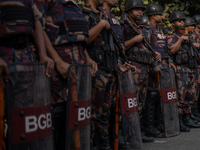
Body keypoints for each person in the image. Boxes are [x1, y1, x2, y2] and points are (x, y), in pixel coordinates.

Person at [36, 0, 98, 149]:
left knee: (75, 118)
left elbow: (79, 38)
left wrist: (88, 58)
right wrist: (57, 62)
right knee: (56, 116)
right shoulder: (47, 2)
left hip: (78, 69)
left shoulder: (75, 6)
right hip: (58, 69)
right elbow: (39, 28)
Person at [82, 0, 136, 149]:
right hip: (96, 70)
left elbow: (109, 46)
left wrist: (118, 65)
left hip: (109, 69)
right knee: (93, 114)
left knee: (105, 112)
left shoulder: (106, 17)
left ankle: (106, 144)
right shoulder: (87, 13)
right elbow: (82, 40)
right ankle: (93, 145)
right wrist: (101, 25)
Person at [122, 0, 162, 143]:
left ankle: (137, 131)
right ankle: (130, 133)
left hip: (144, 69)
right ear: (129, 11)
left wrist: (154, 59)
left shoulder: (141, 28)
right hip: (133, 69)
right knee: (131, 102)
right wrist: (134, 39)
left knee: (140, 103)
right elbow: (120, 47)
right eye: (136, 9)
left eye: (141, 9)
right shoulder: (125, 26)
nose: (140, 11)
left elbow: (146, 50)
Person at [143, 3, 176, 137]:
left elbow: (165, 49)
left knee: (160, 96)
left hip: (163, 66)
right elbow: (145, 49)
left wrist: (170, 62)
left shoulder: (159, 30)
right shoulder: (147, 29)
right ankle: (149, 126)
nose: (162, 16)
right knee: (152, 96)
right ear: (152, 16)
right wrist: (152, 65)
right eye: (159, 14)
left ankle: (159, 124)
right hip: (153, 68)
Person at [168, 11, 200, 132]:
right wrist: (181, 39)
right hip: (181, 71)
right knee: (180, 97)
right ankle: (180, 121)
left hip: (191, 69)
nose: (182, 23)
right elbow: (171, 50)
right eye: (179, 21)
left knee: (190, 96)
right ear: (173, 24)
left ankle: (187, 118)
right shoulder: (173, 37)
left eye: (183, 21)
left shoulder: (189, 38)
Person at [191, 14, 200, 118]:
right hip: (195, 64)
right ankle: (193, 111)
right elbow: (192, 44)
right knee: (194, 89)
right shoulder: (192, 34)